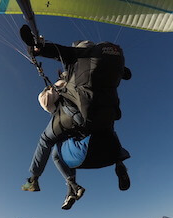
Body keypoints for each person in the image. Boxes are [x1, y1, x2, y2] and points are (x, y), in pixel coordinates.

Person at [21, 39, 131, 208]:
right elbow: (127, 74)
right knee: (106, 126)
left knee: (49, 143)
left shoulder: (76, 59)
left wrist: (37, 48)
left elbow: (58, 51)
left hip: (78, 124)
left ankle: (35, 180)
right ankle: (119, 164)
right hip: (108, 131)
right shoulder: (108, 66)